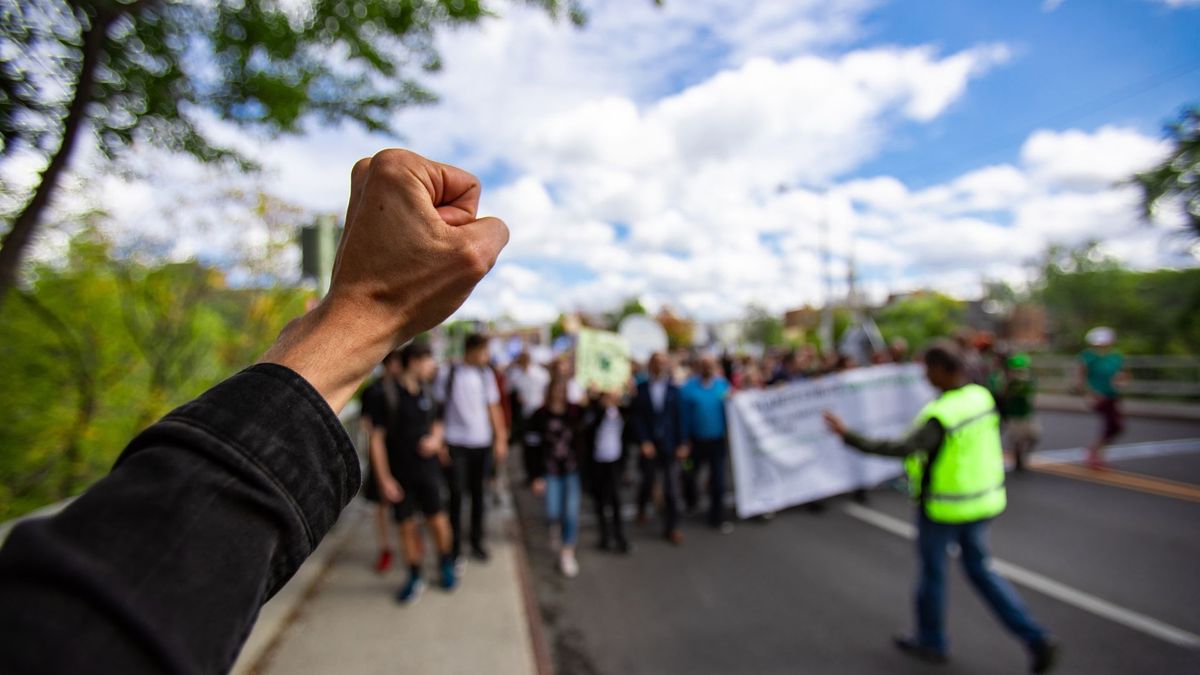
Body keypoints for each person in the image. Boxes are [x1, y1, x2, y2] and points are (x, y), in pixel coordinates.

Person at [0, 148, 510, 673]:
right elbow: (94, 622)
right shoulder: (387, 393)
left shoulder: (436, 387)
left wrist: (354, 317)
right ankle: (425, 568)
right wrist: (368, 312)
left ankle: (446, 563)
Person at [822, 341, 1059, 673]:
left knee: (933, 574)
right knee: (981, 571)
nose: (926, 377)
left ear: (943, 370)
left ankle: (931, 641)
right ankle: (1035, 637)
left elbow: (901, 447)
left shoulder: (942, 414)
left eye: (929, 370)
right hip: (983, 500)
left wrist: (847, 435)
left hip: (944, 508)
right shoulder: (979, 396)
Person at [370, 343, 457, 604]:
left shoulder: (429, 393)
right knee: (406, 525)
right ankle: (415, 575)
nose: (433, 367)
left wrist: (435, 440)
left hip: (428, 471)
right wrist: (384, 478)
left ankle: (445, 563)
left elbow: (438, 424)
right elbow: (376, 439)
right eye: (429, 361)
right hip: (399, 474)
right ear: (415, 362)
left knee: (438, 521)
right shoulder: (385, 394)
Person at [437, 333, 509, 563]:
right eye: (484, 351)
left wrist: (500, 438)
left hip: (481, 442)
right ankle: (455, 546)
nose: (487, 356)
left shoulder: (485, 374)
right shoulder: (448, 373)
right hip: (456, 442)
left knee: (479, 495)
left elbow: (493, 407)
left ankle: (477, 541)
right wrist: (440, 442)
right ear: (473, 349)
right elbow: (438, 409)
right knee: (457, 496)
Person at [526, 374, 586, 577]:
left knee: (570, 512)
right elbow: (531, 447)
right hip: (549, 470)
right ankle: (556, 530)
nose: (559, 394)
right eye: (556, 390)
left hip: (571, 469)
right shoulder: (539, 415)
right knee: (553, 511)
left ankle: (567, 551)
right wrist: (535, 476)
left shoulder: (575, 412)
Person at [632, 352, 688, 545]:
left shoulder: (674, 389)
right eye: (656, 363)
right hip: (650, 446)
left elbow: (680, 418)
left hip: (670, 446)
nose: (660, 366)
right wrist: (644, 441)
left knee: (671, 489)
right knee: (647, 482)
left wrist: (682, 443)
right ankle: (641, 508)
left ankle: (672, 527)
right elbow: (637, 418)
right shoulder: (642, 389)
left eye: (663, 362)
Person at [680, 354, 734, 533]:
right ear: (698, 366)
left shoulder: (722, 386)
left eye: (710, 364)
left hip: (717, 442)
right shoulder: (688, 388)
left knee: (718, 481)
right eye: (704, 364)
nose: (707, 367)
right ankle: (690, 501)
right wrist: (684, 441)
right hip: (695, 442)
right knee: (688, 473)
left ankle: (716, 518)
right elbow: (684, 417)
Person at [359, 355, 400, 573]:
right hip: (383, 454)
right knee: (382, 504)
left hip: (402, 455)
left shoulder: (408, 387)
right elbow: (368, 427)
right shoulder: (374, 391)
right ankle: (386, 547)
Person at [584, 389, 632, 554]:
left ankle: (620, 537)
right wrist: (600, 406)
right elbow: (588, 430)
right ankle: (604, 536)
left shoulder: (621, 411)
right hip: (598, 462)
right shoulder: (595, 411)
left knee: (616, 501)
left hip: (615, 462)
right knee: (600, 501)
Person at [1077, 327, 1125, 470]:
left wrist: (1121, 380)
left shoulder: (1115, 357)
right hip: (1097, 396)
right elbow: (1081, 377)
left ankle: (1096, 452)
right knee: (1113, 423)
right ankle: (1095, 453)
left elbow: (1121, 375)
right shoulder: (1088, 356)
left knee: (1114, 426)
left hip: (1112, 394)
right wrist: (1089, 394)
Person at [509, 351, 551, 483]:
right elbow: (512, 390)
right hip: (526, 415)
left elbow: (547, 390)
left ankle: (540, 472)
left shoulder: (540, 374)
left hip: (539, 414)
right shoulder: (517, 375)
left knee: (540, 444)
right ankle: (531, 473)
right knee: (528, 445)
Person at [999, 353, 1040, 472]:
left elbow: (1032, 396)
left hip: (1027, 414)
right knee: (1017, 439)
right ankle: (1019, 461)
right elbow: (1004, 394)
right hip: (1014, 414)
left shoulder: (1029, 379)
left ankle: (1024, 455)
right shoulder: (1009, 381)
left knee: (1034, 436)